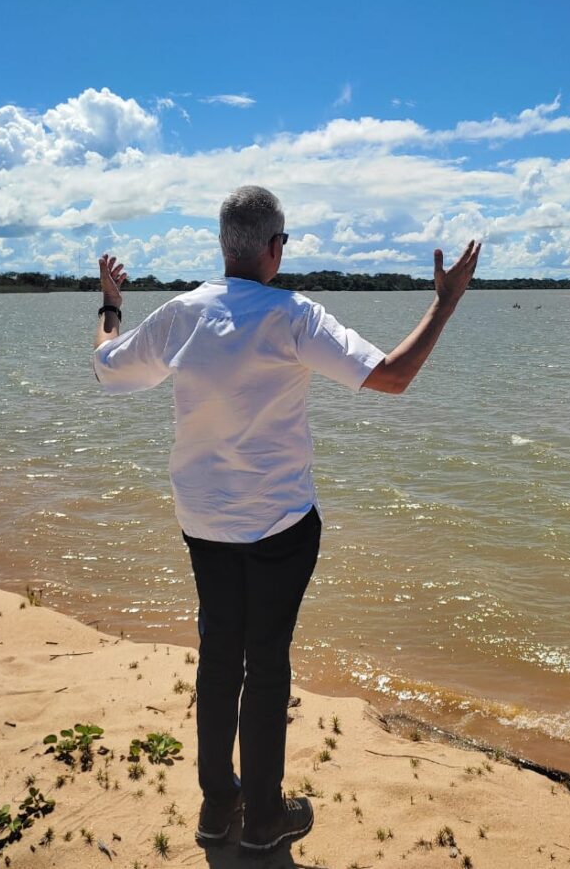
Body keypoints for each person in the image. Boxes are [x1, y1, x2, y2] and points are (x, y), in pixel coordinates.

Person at [92, 185, 480, 854]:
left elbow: (106, 367)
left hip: (203, 524)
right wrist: (444, 303)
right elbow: (391, 376)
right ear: (275, 248)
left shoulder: (182, 315)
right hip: (279, 530)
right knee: (264, 663)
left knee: (219, 657)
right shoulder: (294, 315)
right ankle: (264, 817)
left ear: (223, 246)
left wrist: (111, 304)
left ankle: (219, 808)